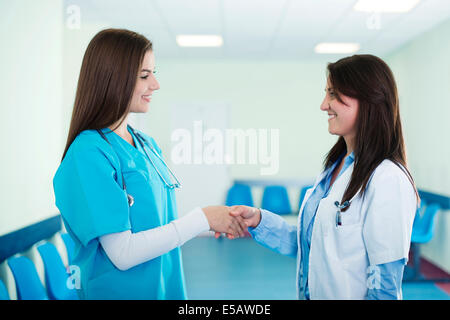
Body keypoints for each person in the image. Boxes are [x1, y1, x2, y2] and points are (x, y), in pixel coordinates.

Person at [53, 28, 246, 300]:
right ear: (113, 79)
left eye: (154, 73)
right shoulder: (88, 153)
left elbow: (157, 224)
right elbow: (122, 253)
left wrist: (209, 222)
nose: (155, 84)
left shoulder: (145, 144)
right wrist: (202, 218)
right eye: (144, 75)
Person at [227, 54, 419, 300]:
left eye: (333, 94)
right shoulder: (335, 169)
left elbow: (384, 287)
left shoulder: (387, 178)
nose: (323, 105)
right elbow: (313, 245)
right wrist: (258, 220)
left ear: (369, 99)